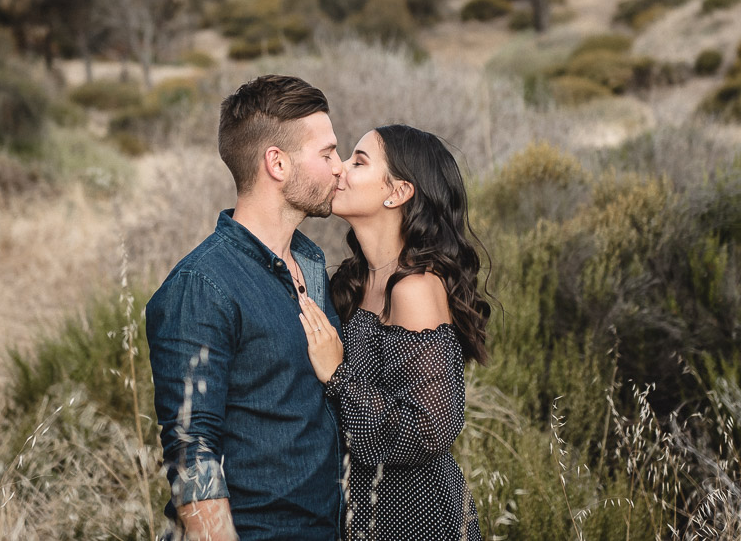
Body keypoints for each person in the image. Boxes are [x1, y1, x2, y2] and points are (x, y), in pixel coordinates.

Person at [146, 75, 345, 541]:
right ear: (276, 163)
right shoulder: (202, 286)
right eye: (327, 153)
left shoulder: (312, 263)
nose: (339, 168)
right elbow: (191, 450)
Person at [299, 124, 489, 541]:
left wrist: (338, 377)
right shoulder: (356, 278)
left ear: (398, 192)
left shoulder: (415, 290)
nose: (339, 170)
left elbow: (430, 429)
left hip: (416, 514)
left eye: (359, 161)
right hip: (363, 506)